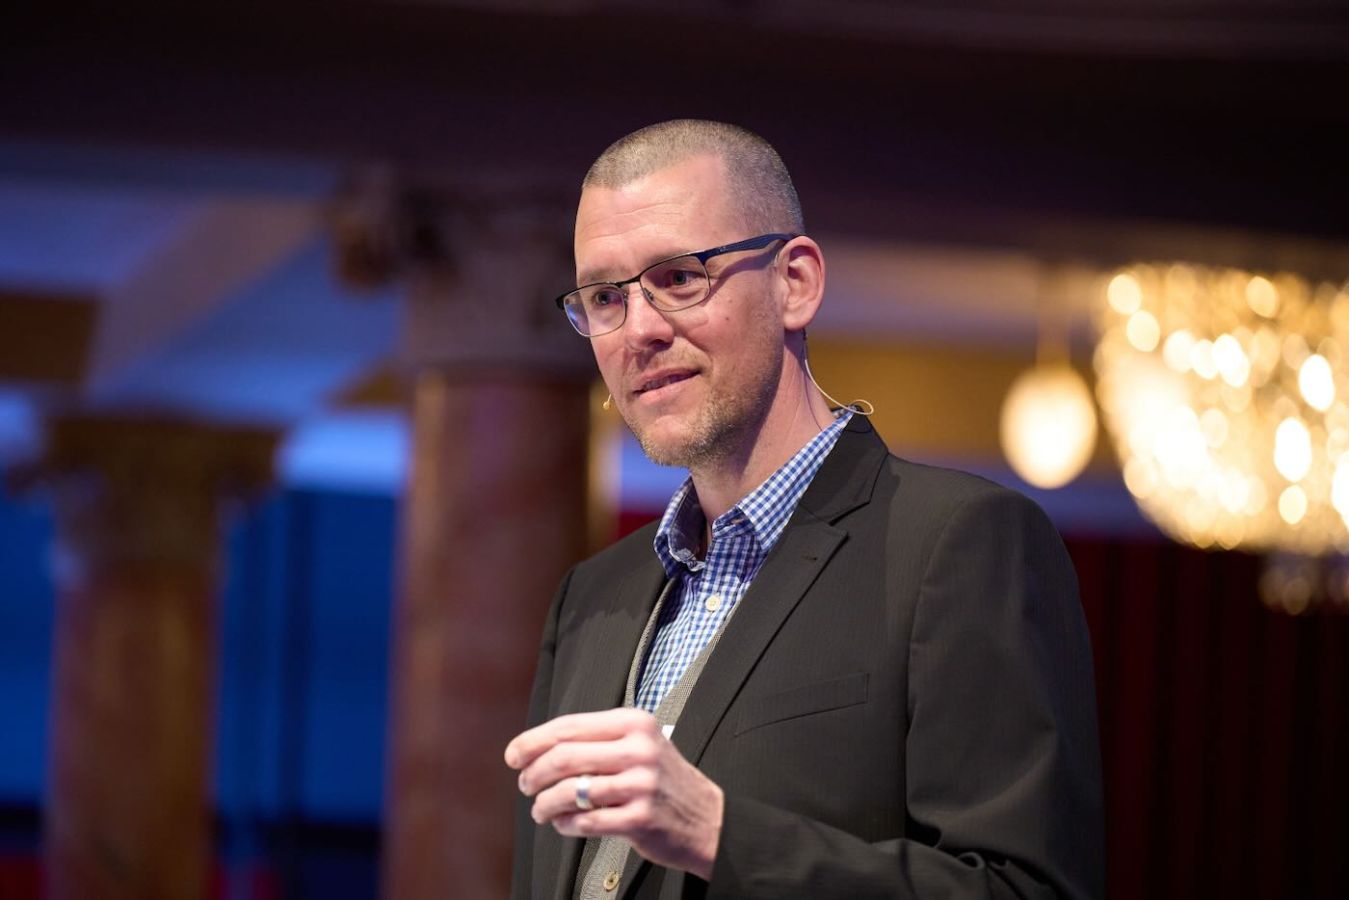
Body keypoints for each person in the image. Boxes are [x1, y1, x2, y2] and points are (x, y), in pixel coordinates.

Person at [504, 120, 1103, 899]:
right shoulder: (590, 599)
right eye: (604, 297)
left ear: (794, 283)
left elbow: (1024, 890)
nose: (638, 331)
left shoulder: (957, 544)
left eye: (678, 278)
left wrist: (719, 834)